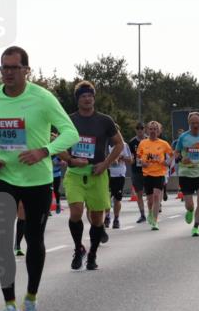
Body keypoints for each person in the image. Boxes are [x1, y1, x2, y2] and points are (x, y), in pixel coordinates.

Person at [0, 46, 78, 311]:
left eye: (14, 67)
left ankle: (31, 300)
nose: (8, 73)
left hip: (37, 179)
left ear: (26, 70)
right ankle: (10, 307)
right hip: (4, 176)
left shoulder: (42, 98)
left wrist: (44, 151)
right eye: (4, 67)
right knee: (3, 240)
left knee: (34, 240)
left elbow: (70, 132)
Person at [56, 80, 122, 270]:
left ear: (94, 98)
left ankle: (92, 254)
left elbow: (119, 144)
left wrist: (105, 164)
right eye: (83, 96)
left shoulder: (105, 120)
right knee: (76, 212)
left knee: (97, 219)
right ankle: (79, 248)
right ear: (77, 99)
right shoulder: (69, 120)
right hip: (75, 173)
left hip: (97, 173)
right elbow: (56, 145)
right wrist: (71, 160)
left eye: (90, 96)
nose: (87, 99)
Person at [172, 111, 199, 237]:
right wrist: (180, 159)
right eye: (193, 123)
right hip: (186, 174)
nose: (195, 125)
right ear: (189, 123)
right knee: (190, 205)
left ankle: (195, 227)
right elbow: (176, 152)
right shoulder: (183, 137)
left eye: (197, 123)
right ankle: (189, 211)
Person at [137, 121, 174, 230]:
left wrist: (168, 162)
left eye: (155, 129)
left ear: (159, 131)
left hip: (159, 173)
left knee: (157, 196)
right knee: (150, 200)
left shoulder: (163, 143)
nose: (153, 131)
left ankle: (155, 221)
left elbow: (172, 154)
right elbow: (138, 156)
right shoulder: (143, 143)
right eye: (151, 129)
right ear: (147, 130)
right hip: (147, 174)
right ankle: (149, 212)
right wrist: (142, 162)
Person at [105, 139, 133, 229]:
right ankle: (107, 216)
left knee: (117, 198)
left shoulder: (123, 145)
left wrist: (120, 157)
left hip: (119, 174)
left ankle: (116, 219)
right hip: (107, 173)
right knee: (107, 197)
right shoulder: (105, 143)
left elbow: (130, 160)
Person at [127, 122, 148, 223]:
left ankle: (152, 212)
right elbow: (130, 156)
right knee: (139, 194)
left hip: (149, 170)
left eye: (142, 128)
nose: (140, 130)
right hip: (136, 171)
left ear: (145, 129)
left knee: (151, 194)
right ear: (135, 130)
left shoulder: (149, 140)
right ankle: (142, 214)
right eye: (138, 128)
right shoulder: (132, 142)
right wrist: (131, 159)